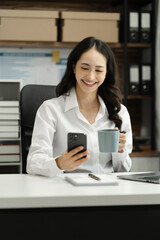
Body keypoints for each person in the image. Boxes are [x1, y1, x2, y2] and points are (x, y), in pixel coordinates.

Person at [27, 36, 132, 177]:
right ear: (74, 67)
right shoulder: (50, 110)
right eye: (84, 68)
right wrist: (59, 163)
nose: (90, 77)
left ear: (107, 73)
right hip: (65, 190)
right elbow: (33, 163)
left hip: (106, 191)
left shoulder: (119, 112)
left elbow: (123, 170)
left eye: (99, 70)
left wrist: (120, 152)